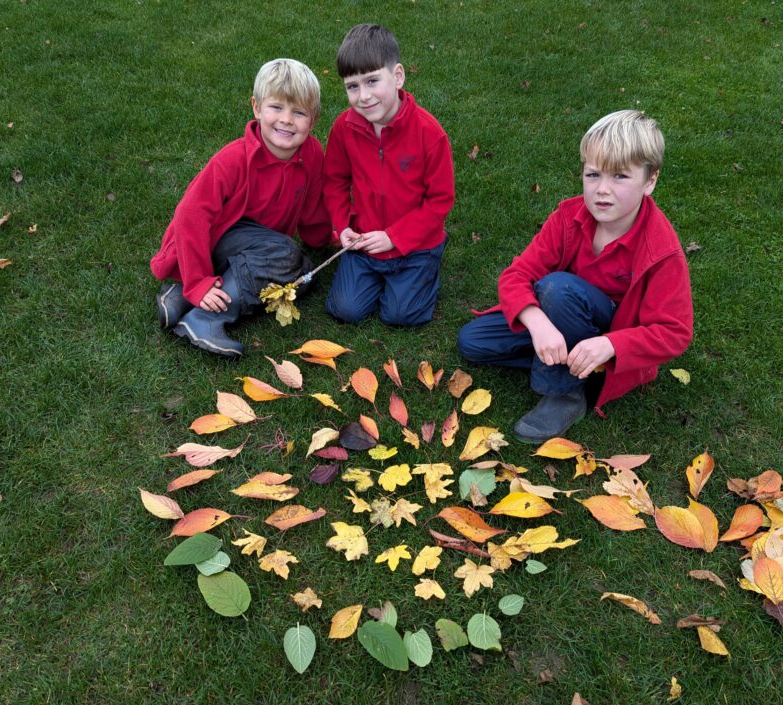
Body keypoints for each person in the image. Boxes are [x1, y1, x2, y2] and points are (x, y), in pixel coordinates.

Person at [458, 110, 693, 443]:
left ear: (650, 180)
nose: (602, 190)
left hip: (609, 331)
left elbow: (675, 332)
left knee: (558, 289)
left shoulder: (661, 251)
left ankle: (565, 392)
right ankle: (574, 362)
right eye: (593, 174)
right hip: (561, 316)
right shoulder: (569, 218)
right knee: (473, 342)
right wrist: (537, 324)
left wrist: (610, 345)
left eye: (620, 177)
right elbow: (517, 274)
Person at [150, 58, 331, 357]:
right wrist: (197, 280)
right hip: (215, 240)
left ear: (313, 121)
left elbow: (312, 208)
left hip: (252, 247)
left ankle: (179, 299)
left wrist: (328, 235)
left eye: (298, 112)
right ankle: (205, 317)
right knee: (287, 255)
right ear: (257, 108)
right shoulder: (232, 159)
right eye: (276, 107)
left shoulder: (311, 153)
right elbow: (190, 216)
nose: (286, 119)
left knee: (304, 273)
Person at [323, 23, 455, 326]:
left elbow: (440, 200)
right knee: (346, 310)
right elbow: (335, 181)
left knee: (401, 315)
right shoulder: (344, 128)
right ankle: (377, 278)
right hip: (365, 240)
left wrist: (395, 237)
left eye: (372, 81)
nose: (363, 96)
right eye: (352, 86)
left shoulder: (429, 134)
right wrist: (342, 226)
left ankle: (427, 267)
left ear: (397, 76)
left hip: (415, 245)